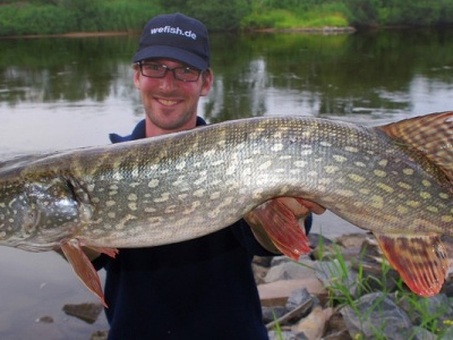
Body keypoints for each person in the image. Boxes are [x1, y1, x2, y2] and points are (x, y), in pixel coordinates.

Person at [91, 13, 316, 339]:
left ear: (206, 82)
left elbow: (270, 246)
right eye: (154, 68)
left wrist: (290, 213)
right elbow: (90, 256)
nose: (168, 84)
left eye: (185, 71)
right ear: (136, 76)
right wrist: (63, 234)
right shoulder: (105, 170)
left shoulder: (240, 155)